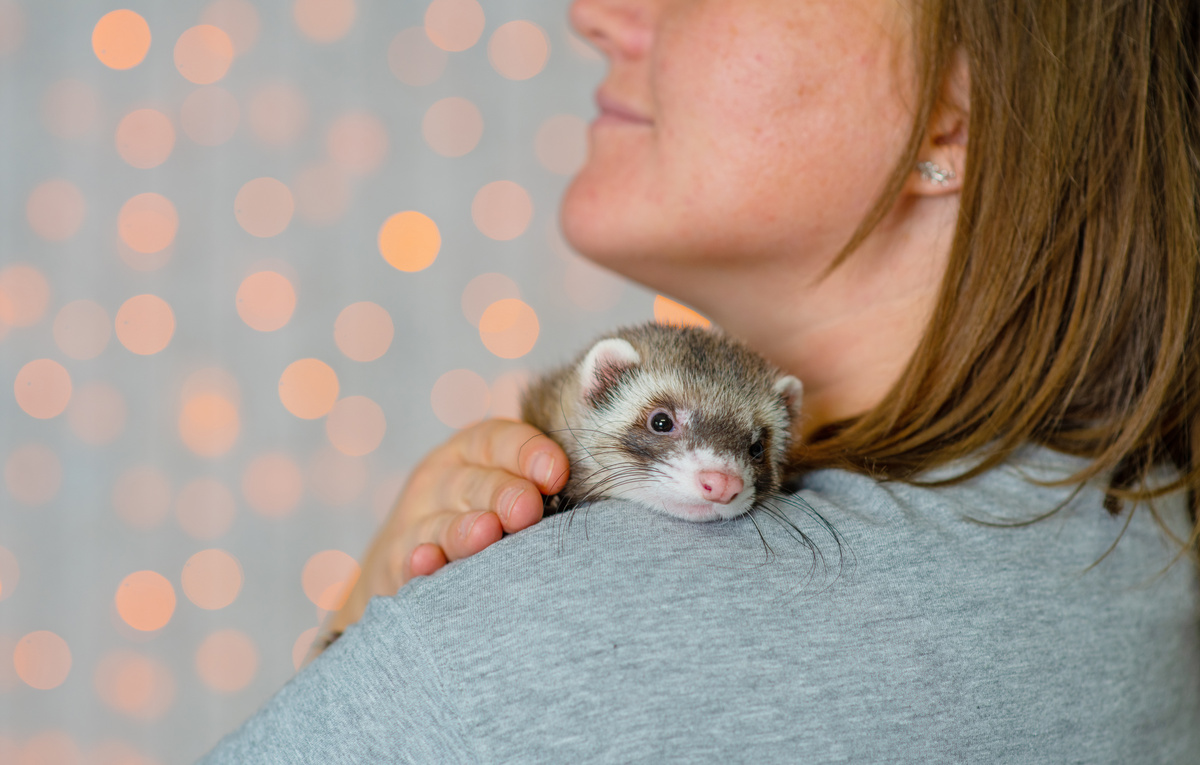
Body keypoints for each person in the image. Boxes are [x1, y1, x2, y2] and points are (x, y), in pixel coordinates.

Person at [203, 0, 1200, 761]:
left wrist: (382, 638)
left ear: (948, 115)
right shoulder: (1148, 534)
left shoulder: (540, 634)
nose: (595, 14)